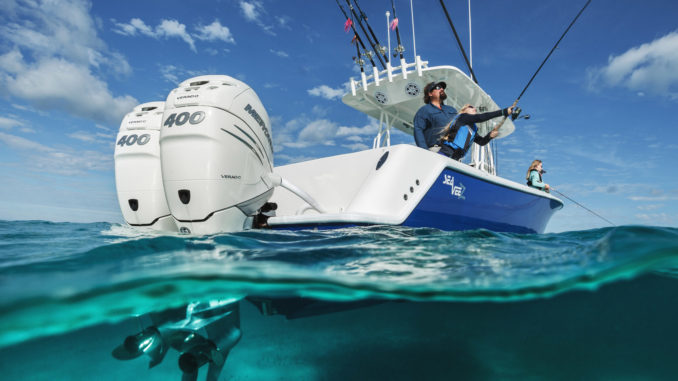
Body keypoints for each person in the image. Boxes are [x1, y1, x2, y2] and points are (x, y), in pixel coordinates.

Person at [438, 103, 513, 160]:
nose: (474, 108)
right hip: (447, 151)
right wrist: (503, 112)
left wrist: (489, 136)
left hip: (456, 156)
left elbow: (481, 142)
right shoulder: (463, 117)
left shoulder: (472, 129)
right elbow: (480, 117)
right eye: (471, 107)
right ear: (464, 110)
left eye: (475, 108)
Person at [413, 81, 458, 151]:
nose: (442, 89)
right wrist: (424, 151)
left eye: (442, 88)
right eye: (438, 88)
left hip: (454, 151)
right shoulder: (424, 110)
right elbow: (418, 130)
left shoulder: (452, 110)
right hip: (437, 150)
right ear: (430, 93)